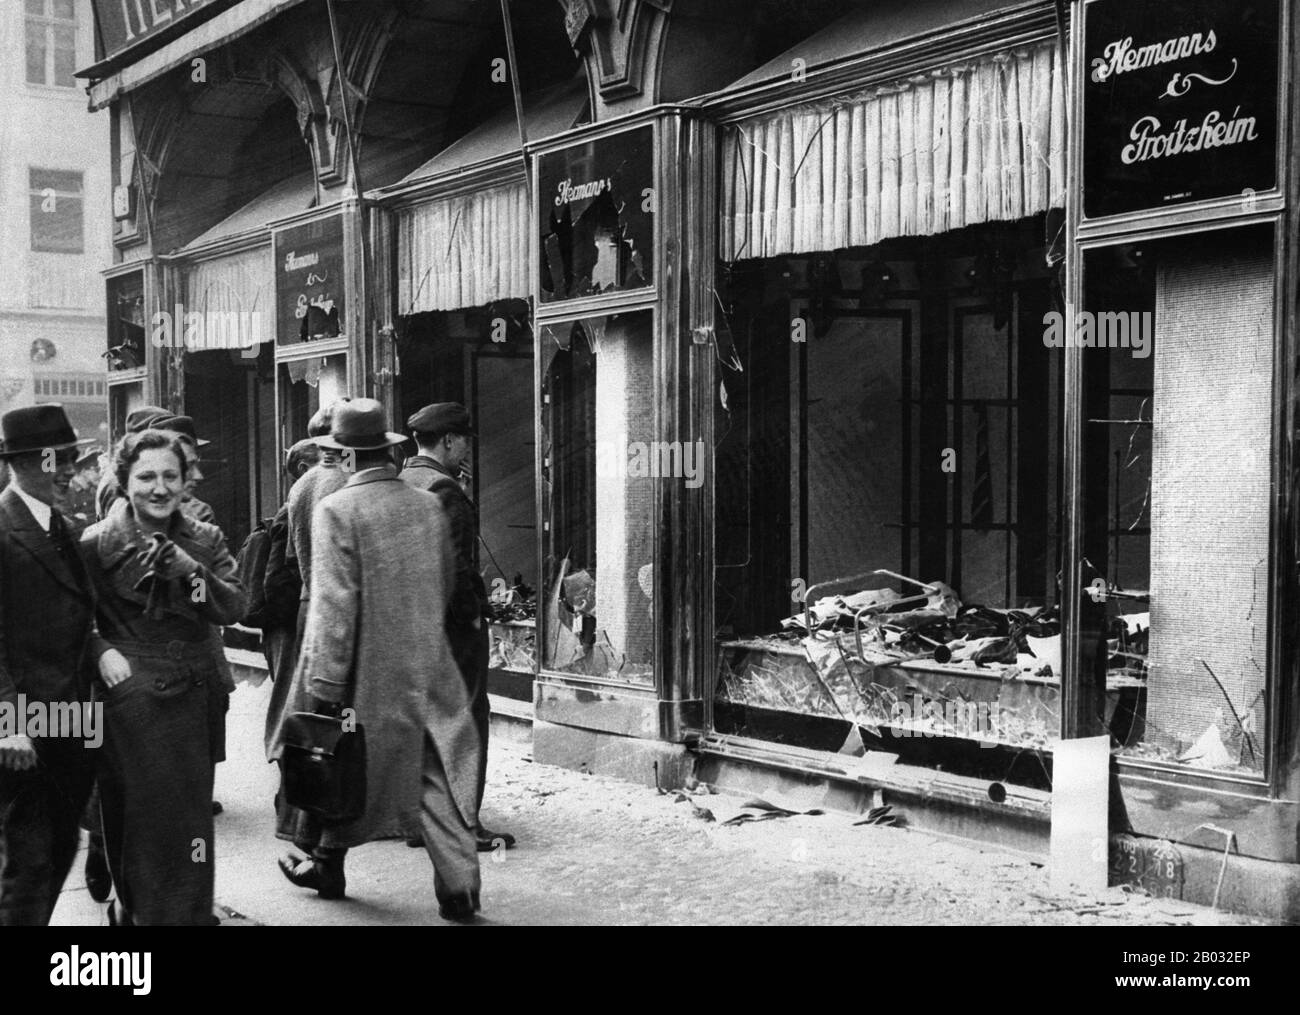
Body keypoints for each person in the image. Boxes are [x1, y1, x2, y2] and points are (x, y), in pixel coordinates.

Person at [272, 399, 483, 921]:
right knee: (433, 773)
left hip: (364, 676)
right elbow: (444, 584)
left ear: (344, 458)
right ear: (387, 452)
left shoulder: (336, 510)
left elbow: (334, 605)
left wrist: (325, 682)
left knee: (342, 766)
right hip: (428, 665)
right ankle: (459, 888)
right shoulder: (427, 504)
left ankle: (328, 863)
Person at [80, 429, 247, 925]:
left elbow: (230, 608)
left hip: (189, 699)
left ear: (185, 481)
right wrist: (101, 649)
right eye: (146, 476)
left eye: (170, 476)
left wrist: (190, 574)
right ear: (123, 480)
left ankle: (185, 915)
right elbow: (72, 621)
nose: (159, 488)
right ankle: (141, 912)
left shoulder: (205, 539)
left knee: (191, 822)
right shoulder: (94, 545)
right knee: (139, 821)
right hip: (127, 704)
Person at [0, 405, 112, 925]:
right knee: (31, 859)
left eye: (71, 456)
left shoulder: (61, 525)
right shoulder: (5, 527)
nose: (70, 467)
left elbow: (77, 617)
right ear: (21, 463)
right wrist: (10, 722)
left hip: (73, 719)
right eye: (58, 458)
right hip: (25, 726)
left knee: (62, 845)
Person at [402, 402, 514, 852]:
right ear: (449, 441)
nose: (468, 448)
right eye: (465, 440)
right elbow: (456, 567)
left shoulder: (403, 482)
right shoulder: (445, 491)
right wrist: (472, 613)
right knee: (465, 719)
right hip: (450, 630)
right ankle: (463, 822)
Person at [265, 402, 351, 869]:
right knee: (336, 726)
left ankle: (298, 820)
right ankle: (321, 834)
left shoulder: (301, 485)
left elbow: (299, 560)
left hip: (308, 606)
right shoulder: (343, 484)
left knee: (307, 718)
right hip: (334, 612)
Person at [261, 439, 318, 742]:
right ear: (302, 469)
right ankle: (287, 780)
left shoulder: (297, 505)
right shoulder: (292, 509)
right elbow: (277, 579)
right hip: (285, 625)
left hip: (291, 620)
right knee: (289, 702)